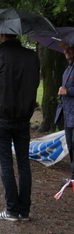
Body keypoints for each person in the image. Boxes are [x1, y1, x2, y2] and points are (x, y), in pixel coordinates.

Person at [0, 34, 40, 222]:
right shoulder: (31, 57)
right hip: (23, 115)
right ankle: (24, 209)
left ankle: (12, 209)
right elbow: (34, 84)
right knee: (23, 163)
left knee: (6, 163)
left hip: (2, 116)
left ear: (1, 35)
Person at [57, 44, 74, 187]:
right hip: (69, 115)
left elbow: (68, 90)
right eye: (65, 48)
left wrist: (68, 91)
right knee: (71, 146)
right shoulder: (68, 68)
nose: (66, 51)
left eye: (70, 48)